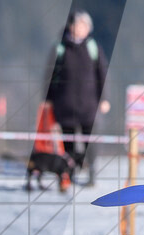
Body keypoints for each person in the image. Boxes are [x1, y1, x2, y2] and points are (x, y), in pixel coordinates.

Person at [45, 11, 110, 184]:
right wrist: (48, 99)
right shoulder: (60, 47)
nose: (80, 28)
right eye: (77, 25)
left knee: (91, 140)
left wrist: (104, 98)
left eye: (84, 25)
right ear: (70, 26)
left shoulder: (93, 47)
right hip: (64, 103)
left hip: (89, 104)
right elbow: (50, 75)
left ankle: (91, 173)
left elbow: (102, 74)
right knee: (68, 141)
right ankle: (70, 171)